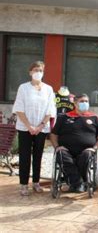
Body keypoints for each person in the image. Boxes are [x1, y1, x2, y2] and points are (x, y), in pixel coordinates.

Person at [12, 61, 56, 196]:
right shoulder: (23, 88)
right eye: (35, 70)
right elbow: (19, 108)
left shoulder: (48, 89)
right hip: (25, 128)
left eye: (41, 70)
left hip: (41, 128)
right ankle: (24, 185)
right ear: (30, 72)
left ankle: (36, 182)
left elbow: (50, 109)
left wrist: (40, 126)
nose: (38, 72)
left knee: (38, 156)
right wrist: (29, 126)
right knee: (25, 156)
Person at [50, 94, 98, 192]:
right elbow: (53, 134)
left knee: (87, 155)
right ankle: (79, 183)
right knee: (61, 154)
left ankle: (75, 183)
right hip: (66, 150)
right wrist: (57, 147)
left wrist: (95, 147)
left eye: (86, 101)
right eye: (82, 101)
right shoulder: (64, 117)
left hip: (86, 150)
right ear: (75, 103)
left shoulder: (94, 117)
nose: (85, 103)